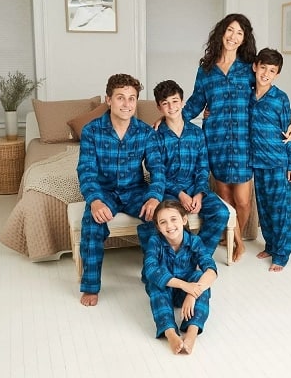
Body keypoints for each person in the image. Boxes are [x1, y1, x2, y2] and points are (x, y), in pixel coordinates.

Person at [157, 13, 291, 262]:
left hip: (244, 141)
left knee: (243, 201)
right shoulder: (207, 68)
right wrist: (171, 119)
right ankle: (233, 240)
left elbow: (267, 97)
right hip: (216, 138)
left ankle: (237, 238)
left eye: (240, 33)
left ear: (245, 39)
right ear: (222, 32)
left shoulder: (248, 67)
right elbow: (197, 101)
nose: (233, 36)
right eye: (230, 30)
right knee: (225, 199)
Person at [77, 73, 165, 306]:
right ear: (108, 100)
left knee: (157, 218)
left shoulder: (145, 132)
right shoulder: (91, 131)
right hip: (104, 192)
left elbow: (158, 169)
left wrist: (155, 197)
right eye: (120, 98)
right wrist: (95, 200)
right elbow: (86, 170)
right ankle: (91, 286)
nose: (127, 104)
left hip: (135, 190)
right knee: (91, 225)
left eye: (132, 98)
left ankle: (152, 274)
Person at [153, 79, 229, 256]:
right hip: (168, 190)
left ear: (182, 102)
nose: (171, 107)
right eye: (165, 104)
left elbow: (203, 167)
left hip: (196, 187)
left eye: (175, 101)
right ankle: (174, 257)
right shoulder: (155, 136)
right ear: (159, 108)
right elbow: (158, 172)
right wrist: (180, 194)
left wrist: (199, 194)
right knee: (171, 220)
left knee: (220, 212)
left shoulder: (197, 133)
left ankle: (198, 255)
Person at [141, 200, 217, 355]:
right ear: (158, 227)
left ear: (184, 220)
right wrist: (184, 285)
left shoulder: (195, 241)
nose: (169, 226)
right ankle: (170, 333)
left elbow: (211, 271)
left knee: (199, 276)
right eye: (163, 222)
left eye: (173, 219)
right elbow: (150, 269)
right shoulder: (155, 242)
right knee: (155, 282)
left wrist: (192, 292)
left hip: (185, 292)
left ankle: (191, 333)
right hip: (165, 288)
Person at [249, 48, 291, 272]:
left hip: (278, 163)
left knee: (281, 211)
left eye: (272, 71)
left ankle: (282, 254)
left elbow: (289, 133)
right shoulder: (247, 94)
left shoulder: (280, 99)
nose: (266, 74)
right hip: (257, 163)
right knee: (265, 209)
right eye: (263, 68)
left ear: (277, 74)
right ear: (255, 67)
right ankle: (270, 245)